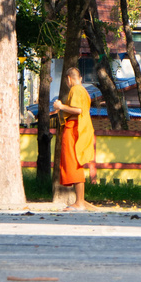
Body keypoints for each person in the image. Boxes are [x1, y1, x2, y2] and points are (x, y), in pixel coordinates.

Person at [53, 66, 96, 210]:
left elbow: (78, 110)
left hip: (74, 129)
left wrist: (61, 106)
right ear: (81, 78)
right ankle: (80, 201)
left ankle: (79, 202)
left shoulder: (76, 89)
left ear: (68, 79)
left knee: (74, 163)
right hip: (80, 129)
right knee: (76, 162)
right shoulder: (84, 91)